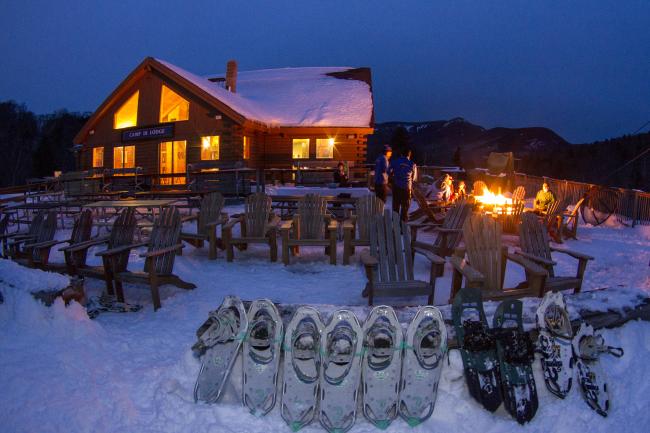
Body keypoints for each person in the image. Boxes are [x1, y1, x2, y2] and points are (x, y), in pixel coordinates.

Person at [389, 148, 417, 222]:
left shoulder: (395, 162)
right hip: (406, 188)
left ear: (401, 154)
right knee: (405, 208)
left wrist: (392, 176)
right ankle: (403, 227)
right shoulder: (412, 164)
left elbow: (388, 170)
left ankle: (395, 225)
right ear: (409, 155)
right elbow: (414, 178)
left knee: (396, 207)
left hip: (396, 186)